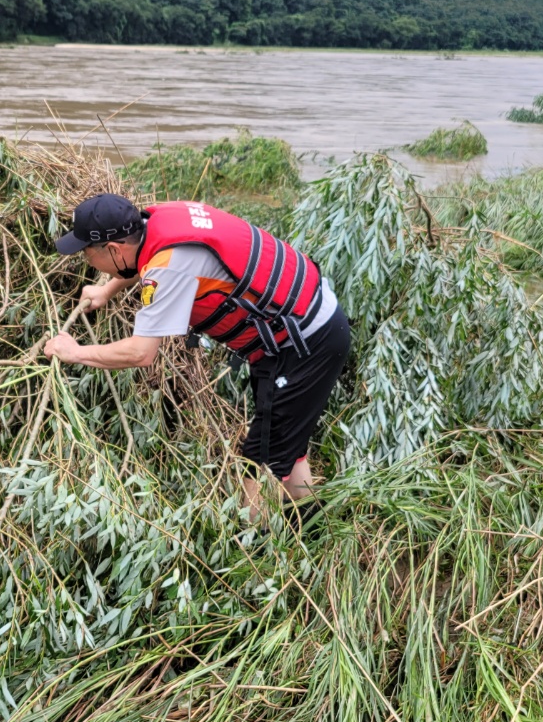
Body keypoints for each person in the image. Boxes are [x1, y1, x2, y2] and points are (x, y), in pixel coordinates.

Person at [43, 193, 350, 521]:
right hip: (301, 325)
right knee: (283, 446)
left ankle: (256, 542)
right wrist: (106, 290)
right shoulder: (156, 221)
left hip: (304, 342)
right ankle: (312, 522)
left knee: (261, 459)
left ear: (114, 249)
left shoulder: (169, 265)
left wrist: (75, 352)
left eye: (88, 255)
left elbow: (141, 352)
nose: (89, 262)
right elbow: (149, 258)